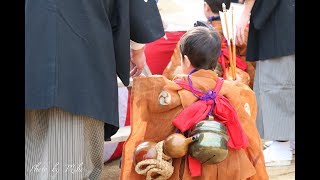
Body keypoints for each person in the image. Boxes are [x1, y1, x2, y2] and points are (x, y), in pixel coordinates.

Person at [25, 0, 164, 179]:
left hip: (32, 58)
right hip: (83, 68)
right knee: (74, 162)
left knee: (33, 155)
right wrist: (137, 48)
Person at [120, 26, 268, 179]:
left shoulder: (174, 93)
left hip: (185, 170)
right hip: (230, 167)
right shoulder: (233, 90)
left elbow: (152, 111)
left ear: (185, 60)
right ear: (216, 59)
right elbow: (247, 117)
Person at [236, 0, 295, 166]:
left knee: (277, 80)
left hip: (280, 15)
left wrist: (245, 12)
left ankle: (281, 146)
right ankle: (290, 140)